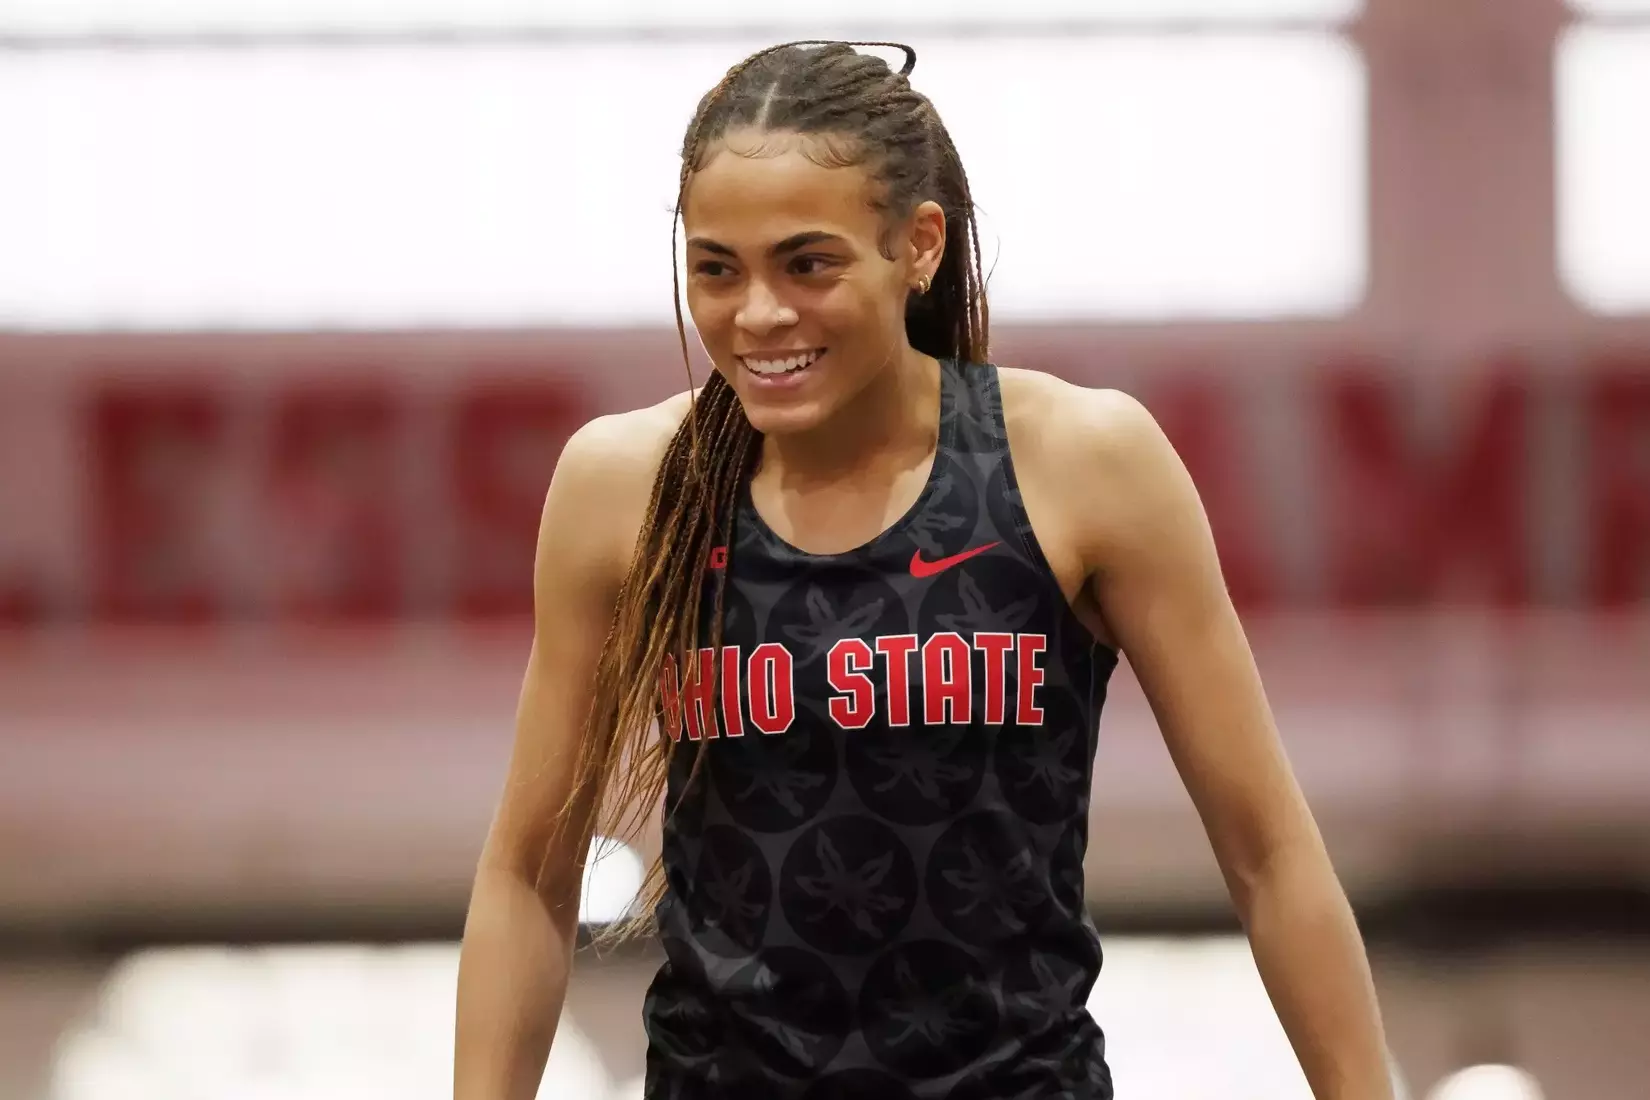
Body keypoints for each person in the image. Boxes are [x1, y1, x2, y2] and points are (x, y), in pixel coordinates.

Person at [453, 39, 1393, 1100]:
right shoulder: (625, 486)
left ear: (919, 245)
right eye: (716, 268)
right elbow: (529, 877)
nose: (756, 313)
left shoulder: (1081, 464)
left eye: (807, 263)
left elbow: (1269, 851)